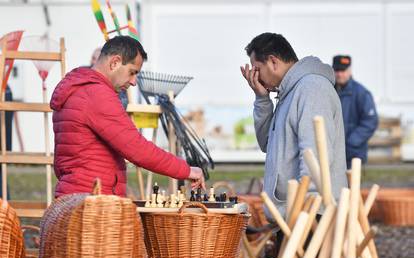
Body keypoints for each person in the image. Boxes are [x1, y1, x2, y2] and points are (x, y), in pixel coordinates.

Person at [51, 36, 204, 197]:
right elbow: (137, 149)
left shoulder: (77, 89)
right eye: (132, 72)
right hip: (93, 202)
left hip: (74, 195)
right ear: (115, 62)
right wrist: (186, 170)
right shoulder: (97, 94)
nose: (134, 82)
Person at [240, 33, 347, 219]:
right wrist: (262, 99)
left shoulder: (311, 89)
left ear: (273, 62)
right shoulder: (288, 92)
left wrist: (306, 212)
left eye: (257, 69)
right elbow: (267, 143)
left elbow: (315, 156)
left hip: (310, 214)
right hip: (293, 212)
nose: (254, 76)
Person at [333, 55, 378, 169]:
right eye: (337, 70)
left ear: (349, 71)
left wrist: (351, 142)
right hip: (333, 154)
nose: (339, 74)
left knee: (353, 186)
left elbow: (370, 121)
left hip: (353, 155)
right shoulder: (329, 91)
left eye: (343, 70)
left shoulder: (361, 93)